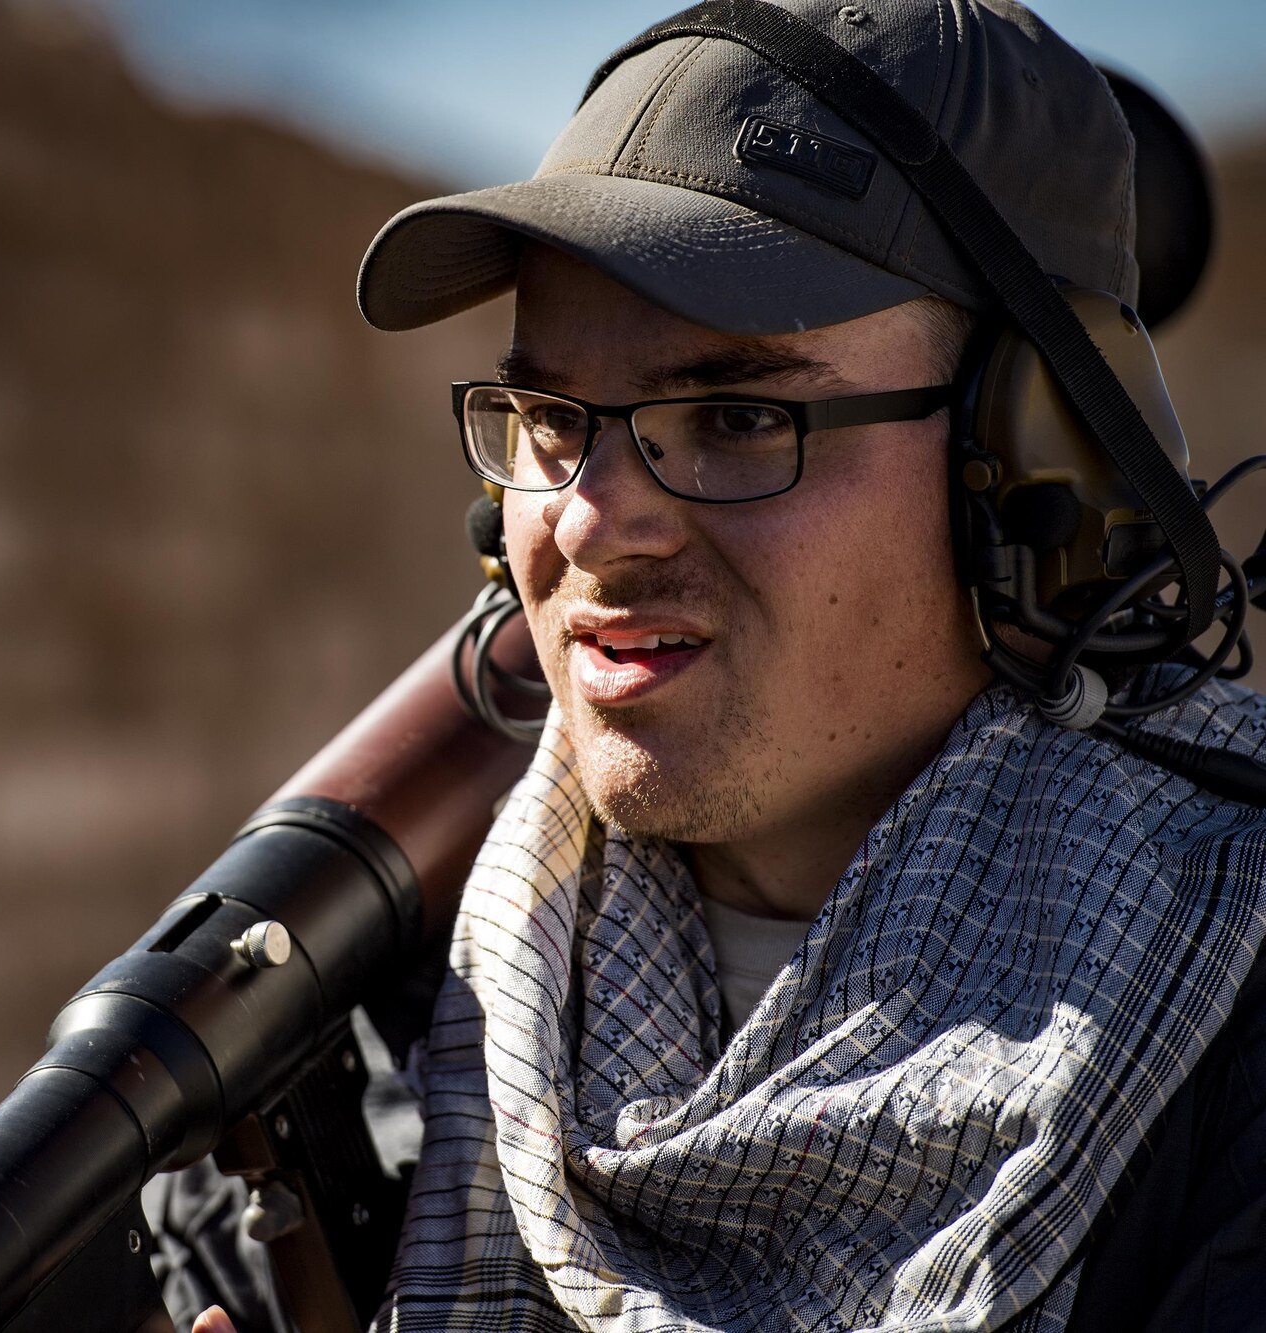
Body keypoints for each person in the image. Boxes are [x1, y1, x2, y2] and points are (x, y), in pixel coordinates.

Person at [171, 1, 1266, 1329]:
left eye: (738, 415)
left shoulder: (1233, 1015)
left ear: (1040, 470)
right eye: (550, 418)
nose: (584, 520)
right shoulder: (371, 1049)